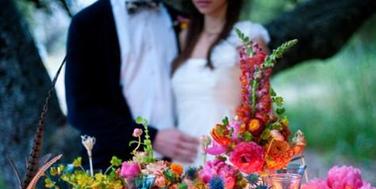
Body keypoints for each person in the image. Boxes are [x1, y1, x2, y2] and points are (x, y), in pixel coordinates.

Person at [65, 0, 200, 169]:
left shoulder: (183, 22)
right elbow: (80, 110)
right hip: (114, 168)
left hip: (180, 164)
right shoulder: (87, 23)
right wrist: (150, 138)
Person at [172, 0, 269, 167]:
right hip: (184, 160)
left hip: (227, 162)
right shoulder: (185, 37)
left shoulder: (248, 36)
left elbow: (262, 109)